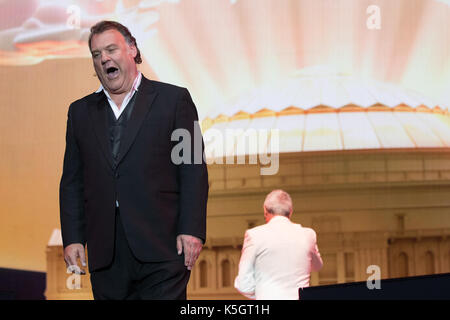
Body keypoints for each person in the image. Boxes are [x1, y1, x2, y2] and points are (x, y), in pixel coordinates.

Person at [59, 20, 209, 300]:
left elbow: (193, 169)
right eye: (96, 54)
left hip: (163, 246)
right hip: (106, 253)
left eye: (111, 49)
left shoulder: (174, 100)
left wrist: (192, 229)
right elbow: (72, 181)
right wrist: (73, 237)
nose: (104, 58)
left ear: (132, 49)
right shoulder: (80, 112)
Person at [234, 189, 322, 300]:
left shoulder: (254, 235)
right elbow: (317, 266)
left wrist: (263, 294)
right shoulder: (308, 235)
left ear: (265, 211)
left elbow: (243, 284)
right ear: (290, 211)